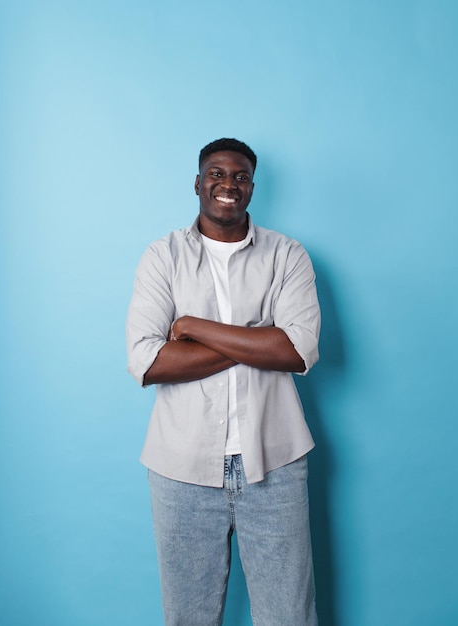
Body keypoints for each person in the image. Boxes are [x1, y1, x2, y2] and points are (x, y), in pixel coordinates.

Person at [126, 138, 321, 625]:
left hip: (275, 461)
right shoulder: (162, 256)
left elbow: (297, 351)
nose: (227, 185)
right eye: (216, 174)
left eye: (239, 176)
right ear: (198, 183)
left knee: (288, 616)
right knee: (188, 617)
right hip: (181, 469)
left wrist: (192, 327)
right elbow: (148, 362)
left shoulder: (287, 255)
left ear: (252, 188)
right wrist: (257, 342)